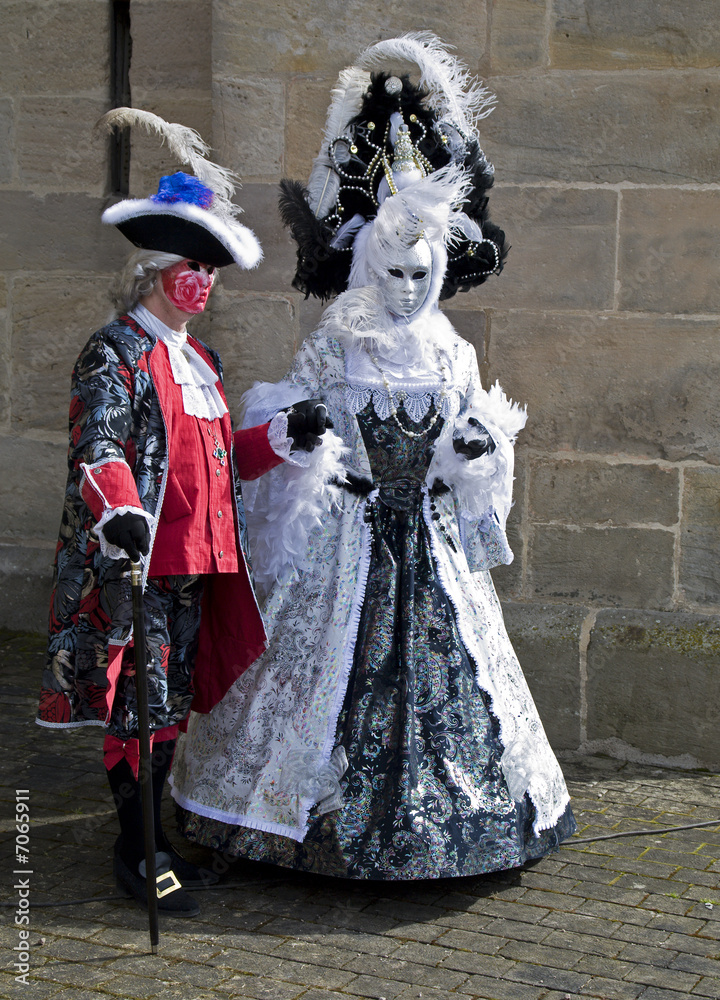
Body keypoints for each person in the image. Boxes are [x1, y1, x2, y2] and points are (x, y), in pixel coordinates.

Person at [171, 35, 576, 879]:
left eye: (419, 275)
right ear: (366, 262)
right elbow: (288, 409)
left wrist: (475, 448)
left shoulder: (452, 349)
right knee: (319, 689)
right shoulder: (339, 334)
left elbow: (482, 428)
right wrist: (307, 427)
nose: (403, 288)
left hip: (428, 541)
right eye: (391, 271)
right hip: (346, 538)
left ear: (438, 272)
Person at [36, 110, 328, 914]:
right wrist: (120, 512)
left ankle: (156, 839)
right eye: (191, 269)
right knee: (140, 704)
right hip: (143, 560)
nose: (203, 283)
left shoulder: (201, 358)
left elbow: (214, 460)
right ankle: (136, 852)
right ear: (156, 272)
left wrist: (280, 436)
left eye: (212, 271)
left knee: (169, 708)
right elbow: (99, 446)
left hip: (202, 562)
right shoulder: (116, 350)